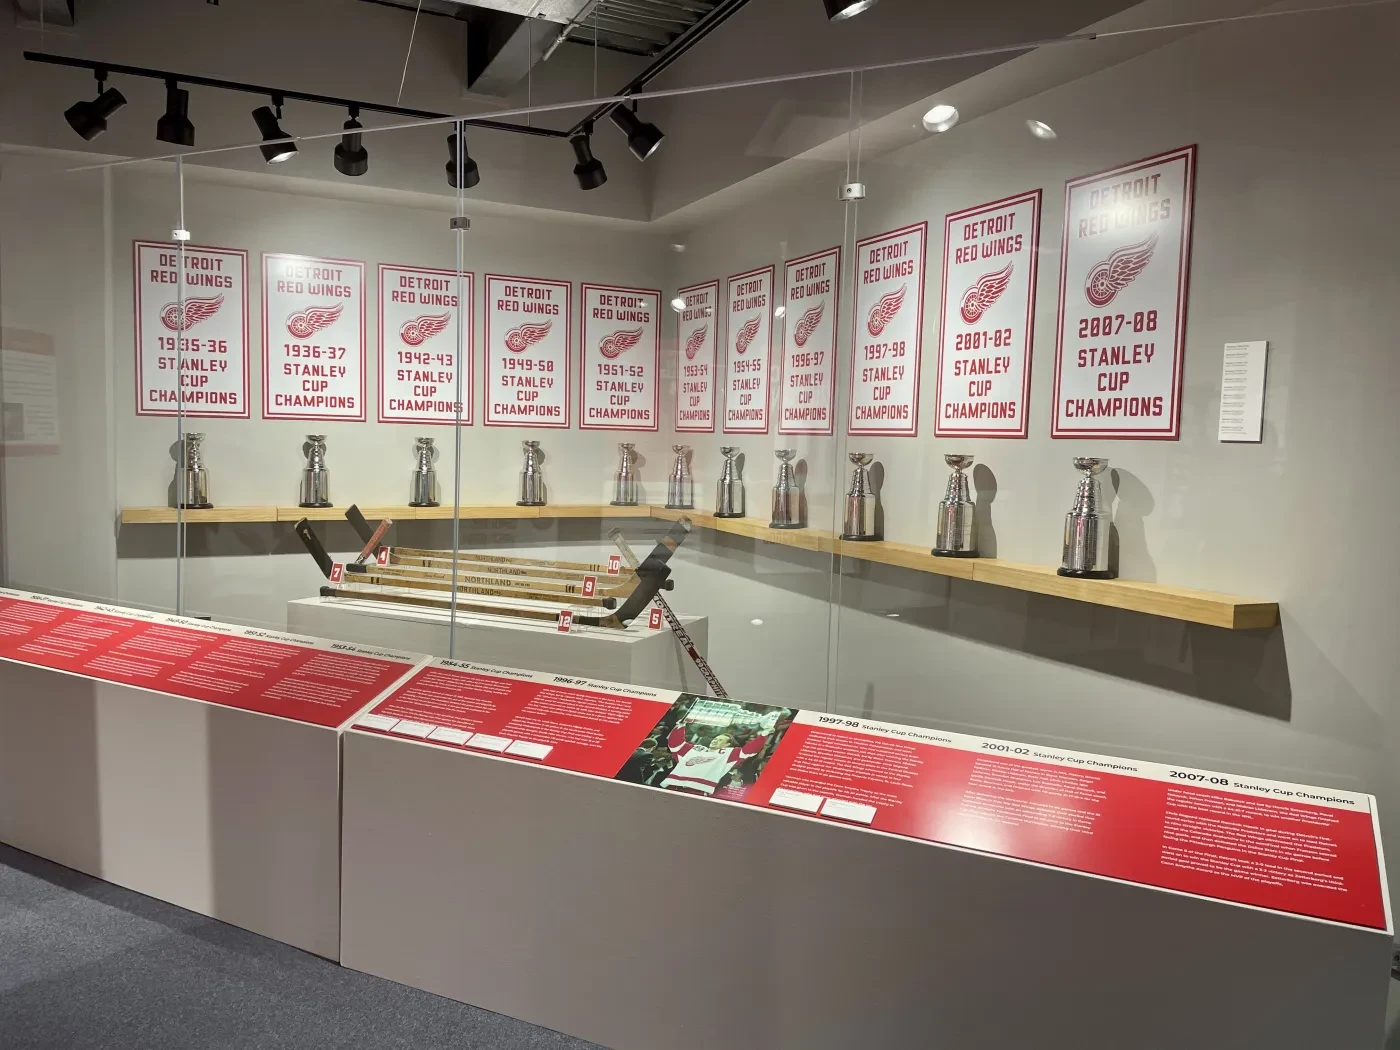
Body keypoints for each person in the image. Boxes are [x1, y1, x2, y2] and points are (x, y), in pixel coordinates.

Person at [660, 724, 766, 796]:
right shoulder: (695, 749)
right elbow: (675, 744)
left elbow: (749, 751)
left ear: (727, 744)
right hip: (672, 787)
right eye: (715, 738)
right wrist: (681, 725)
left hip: (697, 791)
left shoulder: (727, 754)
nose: (715, 740)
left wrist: (763, 736)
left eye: (720, 740)